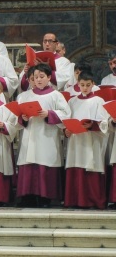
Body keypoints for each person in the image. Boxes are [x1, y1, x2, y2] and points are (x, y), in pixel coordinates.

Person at [16, 63, 70, 208]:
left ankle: (45, 198)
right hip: (29, 135)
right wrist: (23, 119)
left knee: (45, 164)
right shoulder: (24, 96)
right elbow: (15, 117)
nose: (38, 80)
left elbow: (66, 114)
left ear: (48, 77)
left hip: (47, 136)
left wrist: (49, 114)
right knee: (29, 163)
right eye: (35, 77)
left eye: (41, 77)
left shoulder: (56, 95)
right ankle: (28, 197)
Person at [63, 71, 109, 209]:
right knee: (75, 165)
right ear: (78, 84)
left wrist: (92, 125)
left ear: (93, 84)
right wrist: (66, 130)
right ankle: (74, 200)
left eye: (88, 85)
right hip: (75, 140)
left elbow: (104, 122)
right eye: (82, 85)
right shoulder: (72, 101)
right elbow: (66, 120)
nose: (85, 88)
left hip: (91, 139)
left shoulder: (98, 101)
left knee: (91, 166)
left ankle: (93, 200)